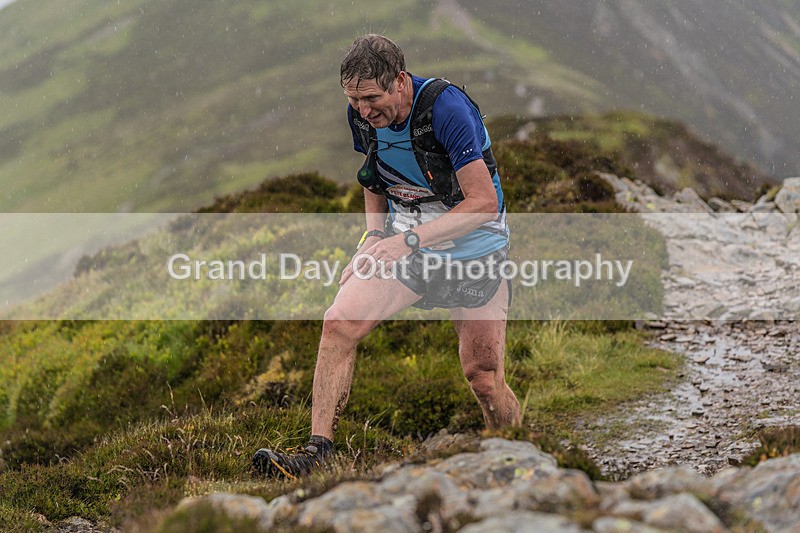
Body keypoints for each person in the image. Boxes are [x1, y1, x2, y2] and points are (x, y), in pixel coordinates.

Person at [253, 34, 521, 479]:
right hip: (406, 248)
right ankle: (318, 454)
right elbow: (374, 176)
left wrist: (407, 242)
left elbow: (483, 203)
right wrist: (375, 236)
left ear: (399, 82)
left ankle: (515, 453)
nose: (363, 111)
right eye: (354, 100)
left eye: (372, 99)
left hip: (475, 250)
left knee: (484, 378)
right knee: (339, 323)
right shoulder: (362, 114)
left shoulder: (446, 109)